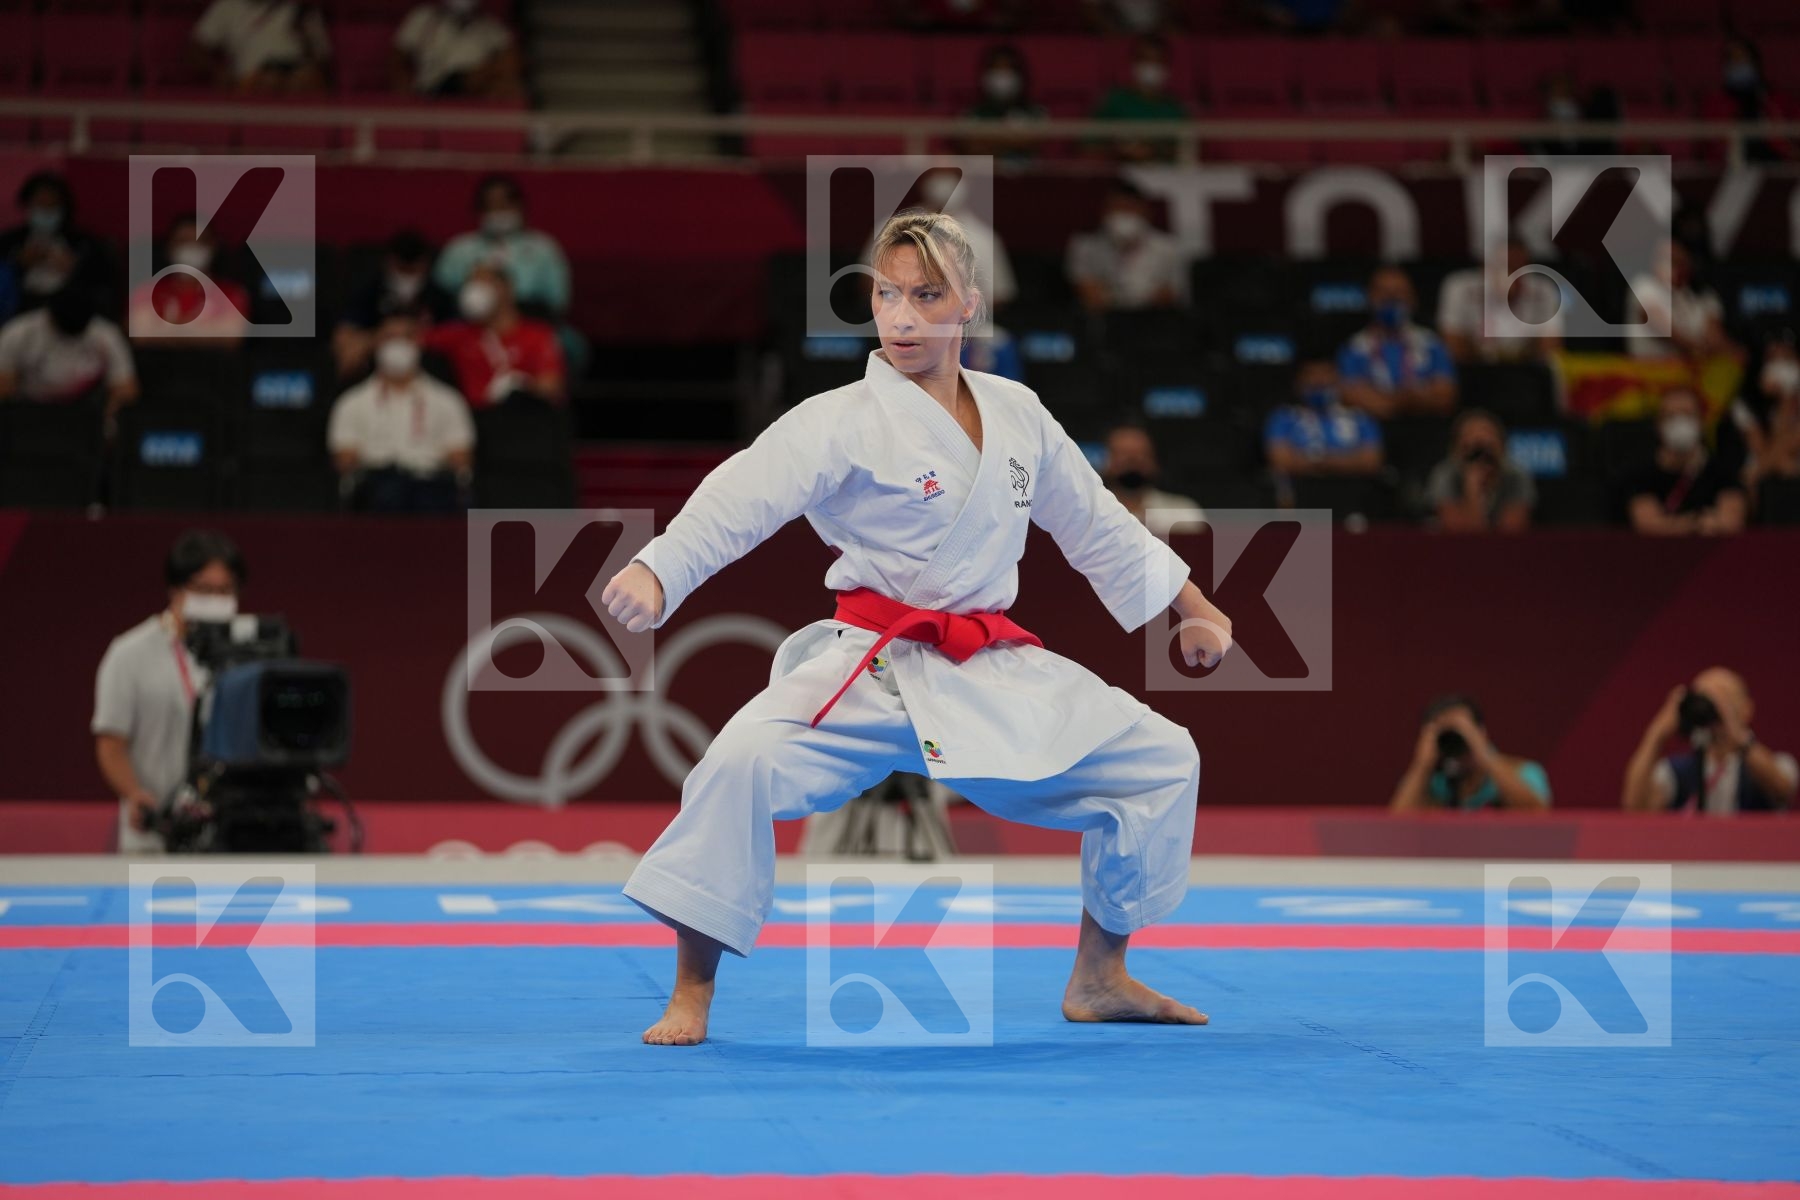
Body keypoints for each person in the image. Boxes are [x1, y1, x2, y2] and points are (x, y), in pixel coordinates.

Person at [601, 209, 1232, 1046]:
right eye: (887, 294)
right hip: (871, 662)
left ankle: (1101, 975)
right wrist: (658, 568)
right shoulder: (841, 419)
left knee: (1161, 760)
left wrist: (1193, 604)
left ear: (969, 303)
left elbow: (1097, 522)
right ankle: (691, 994)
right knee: (738, 765)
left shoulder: (1018, 414)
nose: (901, 316)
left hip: (983, 663)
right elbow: (741, 494)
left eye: (926, 295)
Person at [93, 530, 246, 854]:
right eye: (204, 590)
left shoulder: (247, 655)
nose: (215, 600)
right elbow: (111, 743)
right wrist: (134, 794)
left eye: (225, 590)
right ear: (175, 590)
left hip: (229, 838)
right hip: (154, 834)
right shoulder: (129, 654)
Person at [329, 312, 474, 512]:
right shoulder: (352, 402)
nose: (397, 345)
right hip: (377, 484)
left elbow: (461, 459)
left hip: (430, 484)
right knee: (389, 493)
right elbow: (344, 459)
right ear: (376, 343)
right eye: (389, 337)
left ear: (418, 342)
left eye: (405, 337)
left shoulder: (448, 400)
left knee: (430, 496)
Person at [1623, 668, 1797, 814]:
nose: (1714, 708)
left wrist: (1737, 735)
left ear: (1747, 709)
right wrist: (1657, 734)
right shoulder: (1676, 772)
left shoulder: (1777, 763)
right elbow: (1635, 807)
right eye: (1705, 698)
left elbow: (1782, 790)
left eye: (1724, 698)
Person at [422, 263, 565, 407]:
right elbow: (412, 340)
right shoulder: (458, 335)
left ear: (507, 288)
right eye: (471, 283)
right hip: (477, 419)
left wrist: (522, 386)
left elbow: (551, 387)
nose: (475, 290)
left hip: (523, 417)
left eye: (484, 282)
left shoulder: (537, 335)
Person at [433, 175, 571, 321]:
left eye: (505, 205)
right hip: (468, 324)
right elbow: (441, 296)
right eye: (492, 206)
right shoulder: (459, 249)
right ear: (480, 210)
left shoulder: (544, 248)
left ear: (520, 206)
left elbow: (558, 302)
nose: (498, 211)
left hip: (530, 322)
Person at [1389, 694, 1552, 812]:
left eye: (1461, 732)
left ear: (1481, 732)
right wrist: (1421, 765)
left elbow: (1538, 813)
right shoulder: (1429, 782)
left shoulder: (1522, 771)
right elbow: (1396, 826)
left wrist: (1484, 756)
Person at [0, 288, 137, 423]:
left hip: (85, 414)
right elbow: (4, 387)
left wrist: (110, 423)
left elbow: (125, 389)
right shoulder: (19, 333)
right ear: (50, 315)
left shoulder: (106, 335)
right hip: (28, 411)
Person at [1337, 265, 1457, 420]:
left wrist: (1391, 401)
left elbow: (1446, 396)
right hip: (1377, 429)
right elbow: (1352, 396)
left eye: (1399, 292)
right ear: (1370, 297)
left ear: (1413, 299)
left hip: (1426, 428)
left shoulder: (1431, 342)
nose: (1391, 299)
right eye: (1384, 293)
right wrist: (1405, 401)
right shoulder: (1355, 347)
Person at [1623, 386, 1747, 536]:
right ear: (1658, 425)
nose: (1680, 423)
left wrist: (1672, 525)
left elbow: (1731, 521)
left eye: (1687, 415)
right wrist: (1697, 523)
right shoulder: (1639, 476)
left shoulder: (1724, 472)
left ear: (1701, 422)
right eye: (1671, 416)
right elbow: (1648, 524)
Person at [333, 229, 456, 379]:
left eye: (413, 271)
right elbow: (344, 333)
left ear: (425, 264)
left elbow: (459, 336)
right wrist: (381, 335)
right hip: (376, 370)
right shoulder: (371, 292)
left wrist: (416, 334)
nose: (407, 277)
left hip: (427, 372)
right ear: (389, 263)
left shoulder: (438, 296)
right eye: (402, 270)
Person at [126, 213, 251, 347]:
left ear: (213, 247)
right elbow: (139, 335)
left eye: (200, 241)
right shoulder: (145, 293)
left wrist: (167, 331)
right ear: (169, 247)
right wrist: (205, 332)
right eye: (184, 241)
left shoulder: (232, 294)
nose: (192, 247)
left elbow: (231, 338)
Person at [0, 172, 114, 316]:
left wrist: (75, 268)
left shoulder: (84, 243)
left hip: (68, 310)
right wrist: (18, 264)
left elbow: (103, 281)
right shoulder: (9, 241)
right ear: (28, 205)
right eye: (41, 204)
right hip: (20, 309)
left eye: (52, 205)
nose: (46, 212)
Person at [1066, 180, 1188, 311]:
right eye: (1116, 208)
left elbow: (1171, 294)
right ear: (1104, 213)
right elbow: (1089, 293)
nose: (1123, 215)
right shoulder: (1085, 247)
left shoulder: (1169, 247)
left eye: (1129, 208)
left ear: (1145, 212)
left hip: (1154, 321)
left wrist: (1120, 298)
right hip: (1103, 323)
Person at [1436, 240, 1563, 363]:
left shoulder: (1544, 290)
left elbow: (1550, 348)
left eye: (1519, 268)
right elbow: (1453, 344)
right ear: (1485, 267)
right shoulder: (1459, 287)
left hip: (1527, 372)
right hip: (1472, 371)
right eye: (1504, 267)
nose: (1512, 275)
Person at [1263, 360, 1384, 488]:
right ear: (1298, 383)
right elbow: (1281, 462)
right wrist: (1347, 460)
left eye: (1325, 375)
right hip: (1301, 491)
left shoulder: (1361, 418)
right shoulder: (1283, 417)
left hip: (1351, 491)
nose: (1319, 381)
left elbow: (1371, 462)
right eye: (1311, 375)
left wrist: (1317, 461)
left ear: (1338, 380)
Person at [1425, 408, 1535, 532]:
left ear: (1502, 445)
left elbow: (1512, 531)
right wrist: (1472, 489)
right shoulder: (1445, 474)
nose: (1481, 458)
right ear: (1456, 448)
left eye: (1488, 447)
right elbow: (1457, 532)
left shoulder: (1516, 476)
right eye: (1473, 449)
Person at [1626, 241, 1736, 362]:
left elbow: (1714, 336)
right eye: (1664, 260)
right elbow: (1661, 327)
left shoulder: (1697, 297)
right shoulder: (1644, 285)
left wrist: (1732, 351)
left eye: (1677, 262)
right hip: (1650, 371)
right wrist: (1698, 347)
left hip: (1690, 371)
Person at [191, 0, 332, 94]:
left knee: (305, 78)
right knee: (269, 80)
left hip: (298, 76)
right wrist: (217, 71)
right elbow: (194, 50)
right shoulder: (227, 6)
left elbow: (324, 63)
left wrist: (306, 39)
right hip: (251, 80)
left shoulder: (302, 9)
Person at [392, 0, 521, 98]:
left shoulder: (491, 28)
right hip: (433, 86)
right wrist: (404, 91)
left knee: (509, 86)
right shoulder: (423, 17)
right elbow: (397, 58)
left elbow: (510, 61)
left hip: (474, 92)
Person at [1091, 35, 1188, 162]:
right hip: (1120, 174)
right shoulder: (1114, 102)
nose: (1151, 66)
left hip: (1164, 177)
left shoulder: (1175, 108)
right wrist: (1118, 150)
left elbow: (1189, 151)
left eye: (1158, 61)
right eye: (1145, 59)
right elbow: (1088, 146)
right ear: (1134, 62)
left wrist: (1154, 151)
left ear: (1167, 66)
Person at [1701, 36, 1797, 164]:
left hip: (1778, 167)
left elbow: (1789, 141)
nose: (1737, 65)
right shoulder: (1714, 103)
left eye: (1742, 59)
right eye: (1732, 61)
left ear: (1755, 63)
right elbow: (1713, 148)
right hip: (1734, 169)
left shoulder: (1777, 100)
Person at [1102, 422, 1206, 536]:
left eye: (1141, 455)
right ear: (1105, 461)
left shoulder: (1183, 512)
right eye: (1122, 455)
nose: (1131, 463)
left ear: (1154, 461)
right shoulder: (1092, 514)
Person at [957, 44, 1048, 166]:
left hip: (1028, 179)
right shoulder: (972, 113)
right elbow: (973, 147)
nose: (1002, 74)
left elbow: (1035, 141)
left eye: (1008, 68)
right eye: (996, 68)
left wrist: (989, 141)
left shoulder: (1036, 112)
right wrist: (1015, 140)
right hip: (986, 179)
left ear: (1020, 74)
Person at [1736, 331, 1800, 491]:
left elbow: (1793, 441)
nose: (1780, 367)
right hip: (1766, 476)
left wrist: (1788, 398)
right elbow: (1762, 452)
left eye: (1787, 359)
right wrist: (1785, 399)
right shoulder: (1746, 402)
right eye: (1773, 359)